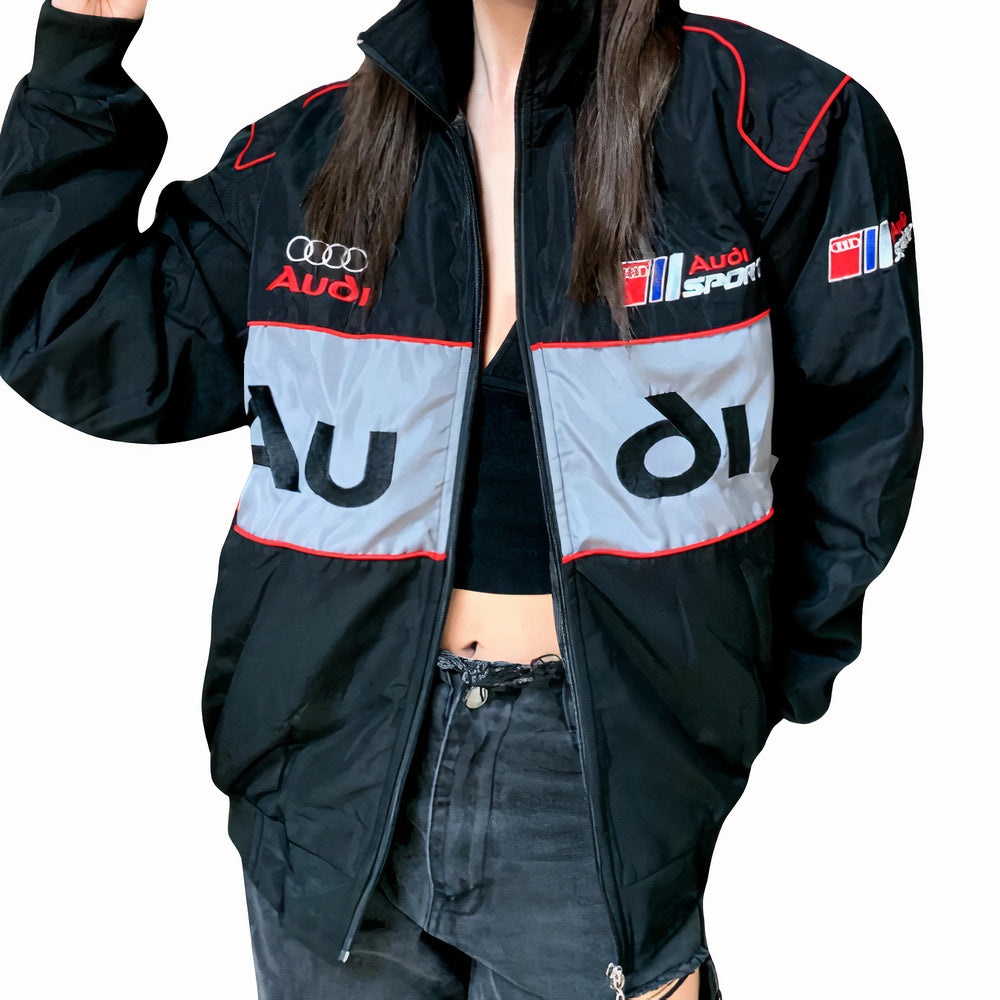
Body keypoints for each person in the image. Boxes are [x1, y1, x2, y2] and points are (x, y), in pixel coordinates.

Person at [0, 1, 922, 998]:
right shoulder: (306, 155)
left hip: (592, 785)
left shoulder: (781, 124)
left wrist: (727, 696)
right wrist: (82, 46)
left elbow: (861, 432)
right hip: (326, 779)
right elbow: (78, 334)